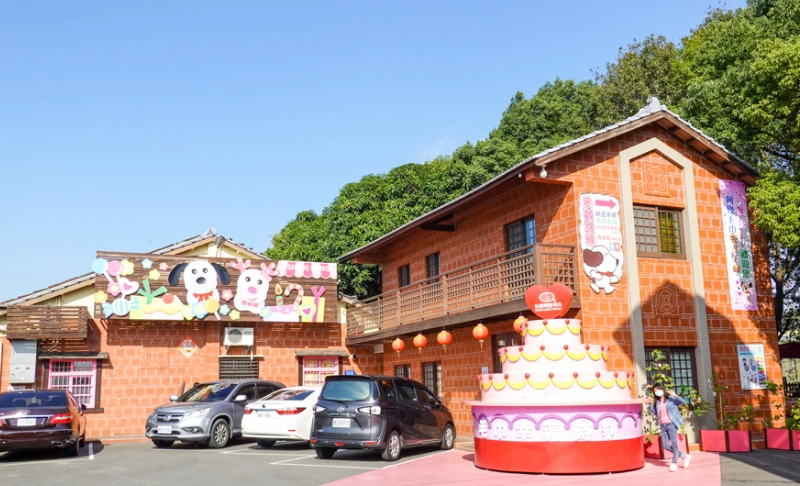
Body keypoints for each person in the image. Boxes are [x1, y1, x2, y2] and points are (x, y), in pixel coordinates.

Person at [648, 382, 691, 472]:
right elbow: (656, 413)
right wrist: (650, 404)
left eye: (657, 389)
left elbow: (683, 402)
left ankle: (674, 463)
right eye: (655, 391)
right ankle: (684, 456)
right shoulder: (658, 402)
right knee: (666, 445)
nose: (656, 392)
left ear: (662, 389)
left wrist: (675, 395)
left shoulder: (671, 399)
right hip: (663, 425)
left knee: (674, 445)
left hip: (671, 424)